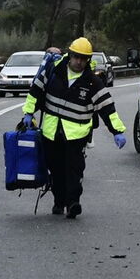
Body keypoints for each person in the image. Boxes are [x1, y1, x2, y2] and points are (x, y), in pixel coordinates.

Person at [22, 37, 127, 218]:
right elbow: (35, 92)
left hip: (76, 135)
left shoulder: (92, 81)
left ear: (87, 60)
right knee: (55, 169)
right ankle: (58, 201)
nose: (79, 61)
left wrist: (117, 131)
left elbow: (107, 108)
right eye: (76, 57)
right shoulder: (53, 71)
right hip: (51, 131)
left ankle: (72, 203)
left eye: (83, 58)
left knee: (74, 170)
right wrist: (28, 112)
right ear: (70, 55)